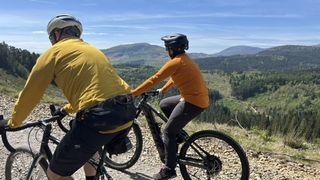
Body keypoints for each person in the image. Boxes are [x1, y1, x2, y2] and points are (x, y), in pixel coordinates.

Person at [4, 14, 136, 180]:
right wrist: (67, 109)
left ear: (57, 34)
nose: (52, 41)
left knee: (55, 174)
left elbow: (31, 93)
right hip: (127, 107)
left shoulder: (53, 53)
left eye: (51, 37)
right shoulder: (92, 49)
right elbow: (94, 91)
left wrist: (13, 122)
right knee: (83, 134)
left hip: (100, 116)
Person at [131, 33, 209, 180]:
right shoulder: (184, 60)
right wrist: (163, 90)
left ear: (171, 49)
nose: (167, 51)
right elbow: (174, 77)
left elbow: (154, 79)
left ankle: (169, 169)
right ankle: (178, 135)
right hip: (196, 97)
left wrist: (134, 93)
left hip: (193, 101)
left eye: (167, 48)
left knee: (167, 132)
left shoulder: (175, 62)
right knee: (165, 104)